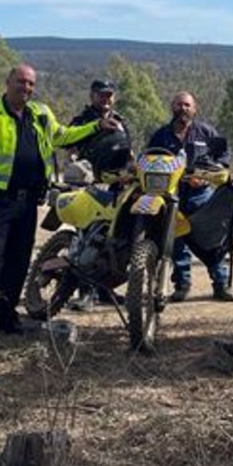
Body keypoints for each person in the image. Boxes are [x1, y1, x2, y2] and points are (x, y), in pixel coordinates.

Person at [0, 63, 118, 338]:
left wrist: (97, 126)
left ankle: (6, 318)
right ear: (7, 82)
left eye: (31, 83)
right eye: (21, 81)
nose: (26, 88)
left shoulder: (39, 114)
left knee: (19, 262)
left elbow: (64, 136)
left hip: (29, 201)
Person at [146, 91, 233, 302]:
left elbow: (223, 157)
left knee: (210, 240)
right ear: (172, 107)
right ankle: (182, 285)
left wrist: (210, 175)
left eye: (187, 105)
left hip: (201, 197)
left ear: (194, 109)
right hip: (170, 197)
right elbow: (149, 160)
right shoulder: (160, 135)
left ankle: (221, 284)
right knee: (176, 242)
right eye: (179, 104)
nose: (183, 108)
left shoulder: (206, 132)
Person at [67, 79, 130, 312]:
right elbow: (70, 148)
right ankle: (86, 293)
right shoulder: (81, 120)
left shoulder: (121, 120)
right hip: (89, 184)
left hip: (117, 185)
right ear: (92, 95)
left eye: (109, 94)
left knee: (113, 239)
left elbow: (128, 149)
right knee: (88, 238)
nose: (106, 98)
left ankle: (105, 290)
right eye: (101, 94)